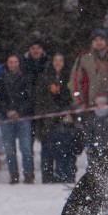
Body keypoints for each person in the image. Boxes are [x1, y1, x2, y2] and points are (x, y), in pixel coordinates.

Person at [70, 28, 108, 170]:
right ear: (92, 42)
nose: (98, 43)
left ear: (106, 41)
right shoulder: (84, 58)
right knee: (92, 141)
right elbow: (75, 81)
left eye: (101, 39)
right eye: (95, 40)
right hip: (90, 106)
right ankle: (93, 171)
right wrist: (79, 101)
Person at [35, 53, 80, 183]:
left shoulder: (68, 77)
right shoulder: (44, 78)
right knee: (47, 150)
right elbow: (39, 99)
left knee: (66, 149)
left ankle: (66, 176)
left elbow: (71, 98)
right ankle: (47, 177)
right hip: (48, 120)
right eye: (56, 60)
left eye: (61, 60)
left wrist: (68, 113)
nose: (58, 63)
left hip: (64, 120)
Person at [0, 54, 35, 184]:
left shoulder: (25, 78)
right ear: (7, 63)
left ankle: (28, 174)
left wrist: (19, 111)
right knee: (9, 149)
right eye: (10, 62)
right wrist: (7, 111)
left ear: (19, 63)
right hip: (6, 117)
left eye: (15, 62)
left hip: (22, 116)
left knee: (26, 148)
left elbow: (29, 98)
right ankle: (13, 175)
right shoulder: (1, 79)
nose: (13, 64)